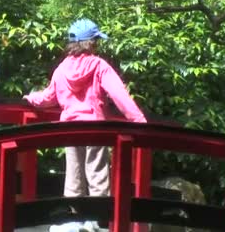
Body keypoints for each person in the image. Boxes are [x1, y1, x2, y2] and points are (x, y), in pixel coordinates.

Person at [23, 18, 147, 232]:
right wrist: (139, 121)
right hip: (94, 129)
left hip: (70, 129)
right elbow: (119, 96)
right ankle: (96, 223)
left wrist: (32, 98)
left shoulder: (62, 68)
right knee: (97, 175)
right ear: (90, 43)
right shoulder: (99, 66)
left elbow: (50, 96)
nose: (98, 45)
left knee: (74, 176)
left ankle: (72, 222)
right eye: (96, 41)